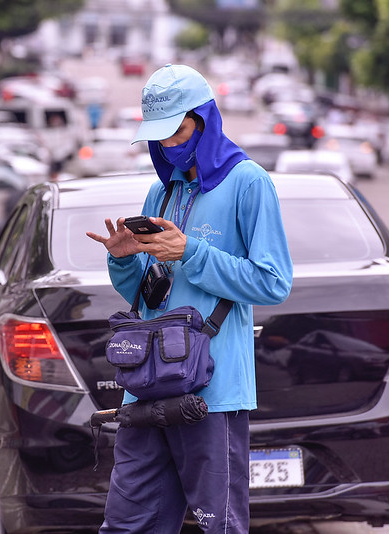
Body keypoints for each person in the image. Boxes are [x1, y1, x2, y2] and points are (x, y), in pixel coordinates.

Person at [86, 64, 293, 533]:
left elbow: (273, 282)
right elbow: (153, 294)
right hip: (147, 385)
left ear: (205, 120)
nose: (168, 146)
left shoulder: (249, 182)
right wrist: (124, 261)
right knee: (126, 524)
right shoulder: (160, 190)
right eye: (158, 138)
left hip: (211, 394)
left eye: (176, 132)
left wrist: (192, 252)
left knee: (216, 525)